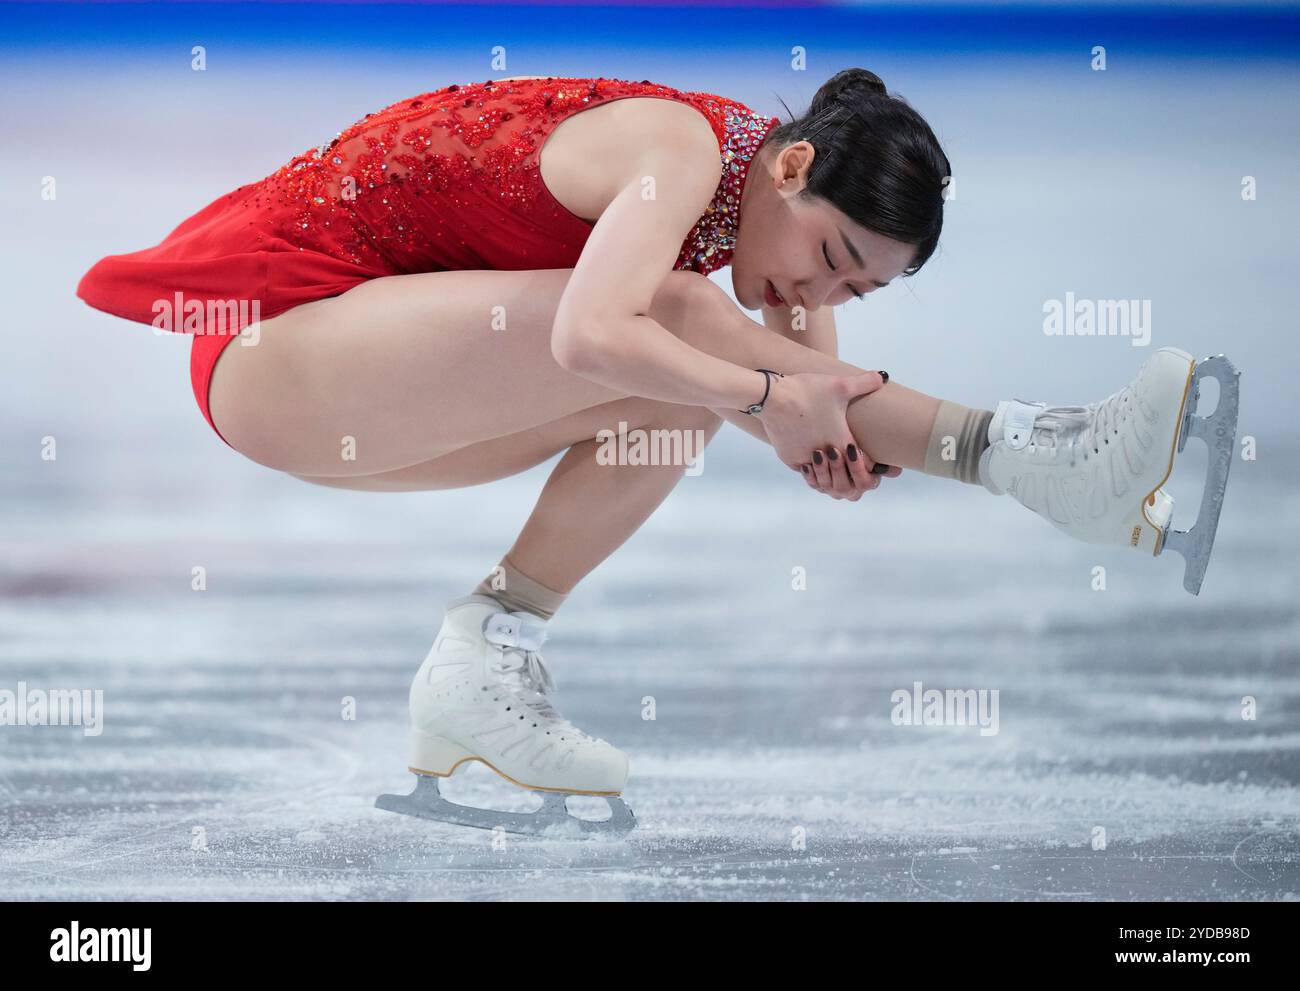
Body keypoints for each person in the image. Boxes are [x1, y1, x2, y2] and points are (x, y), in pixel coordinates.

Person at [76, 70, 1234, 834]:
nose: (820, 292)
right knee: (664, 331)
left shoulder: (767, 219)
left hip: (370, 391)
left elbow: (797, 384)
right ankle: (1036, 459)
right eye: (830, 255)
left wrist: (799, 426)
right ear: (790, 169)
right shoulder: (679, 150)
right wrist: (780, 399)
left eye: (855, 287)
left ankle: (484, 655)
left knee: (681, 381)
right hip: (273, 350)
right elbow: (594, 333)